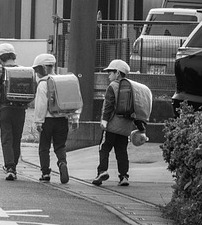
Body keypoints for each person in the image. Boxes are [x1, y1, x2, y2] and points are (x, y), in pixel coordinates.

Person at [92, 59, 145, 187]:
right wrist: (140, 126)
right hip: (125, 127)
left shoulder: (113, 86)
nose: (108, 75)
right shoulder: (133, 87)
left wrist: (104, 120)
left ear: (117, 73)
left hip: (111, 126)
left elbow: (109, 105)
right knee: (121, 151)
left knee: (104, 148)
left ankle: (102, 171)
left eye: (110, 72)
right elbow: (137, 108)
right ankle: (124, 176)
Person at [32, 53, 79, 184]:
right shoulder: (62, 81)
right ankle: (62, 163)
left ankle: (45, 172)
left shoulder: (43, 84)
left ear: (43, 68)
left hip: (47, 120)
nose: (36, 73)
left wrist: (38, 121)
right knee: (60, 145)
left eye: (37, 70)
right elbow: (72, 101)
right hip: (62, 119)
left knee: (44, 147)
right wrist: (74, 119)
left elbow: (41, 104)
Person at [0, 43, 28, 181]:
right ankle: (14, 167)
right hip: (20, 110)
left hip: (5, 110)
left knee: (7, 138)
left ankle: (9, 167)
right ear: (14, 56)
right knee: (16, 139)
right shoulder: (24, 71)